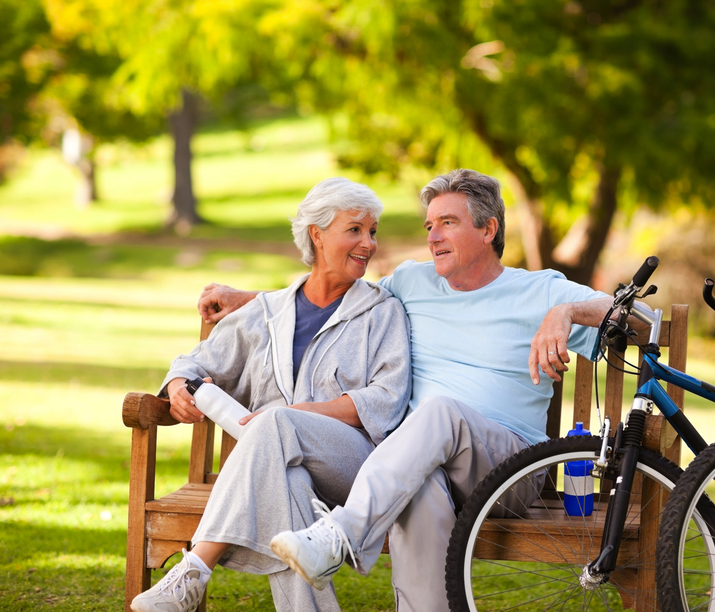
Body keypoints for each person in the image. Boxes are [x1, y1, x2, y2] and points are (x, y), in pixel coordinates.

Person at [199, 169, 633, 612]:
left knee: (440, 410)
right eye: (429, 225)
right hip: (426, 464)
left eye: (448, 222)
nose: (433, 236)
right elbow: (334, 292)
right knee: (420, 486)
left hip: (511, 472)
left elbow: (639, 319)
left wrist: (567, 312)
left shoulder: (540, 290)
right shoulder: (411, 282)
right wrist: (251, 298)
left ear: (488, 229)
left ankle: (343, 534)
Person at [130, 177, 412, 612]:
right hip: (276, 469)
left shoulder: (382, 311)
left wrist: (299, 416)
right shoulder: (266, 313)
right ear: (316, 234)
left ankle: (194, 571)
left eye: (372, 231)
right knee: (287, 486)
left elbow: (385, 400)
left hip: (354, 469)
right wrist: (175, 388)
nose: (369, 243)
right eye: (354, 229)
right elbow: (193, 363)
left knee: (278, 420)